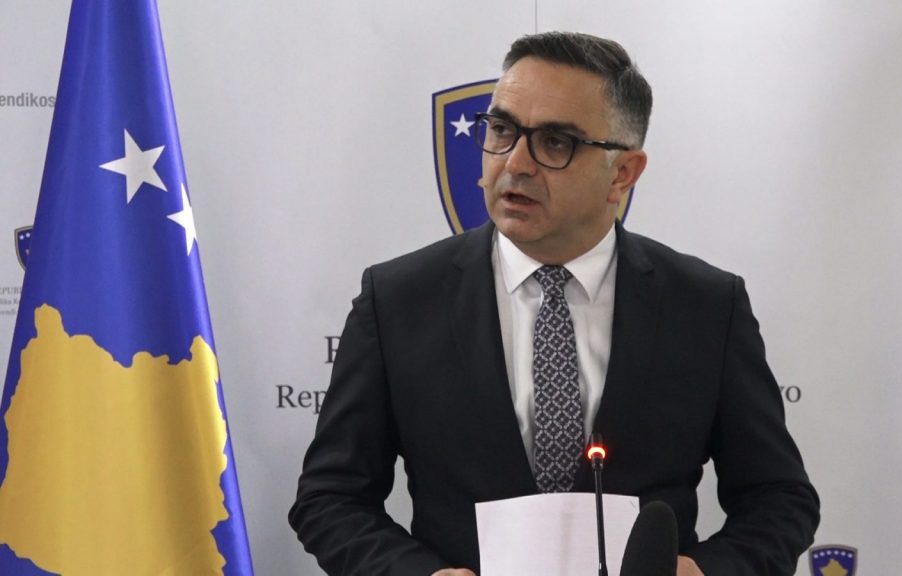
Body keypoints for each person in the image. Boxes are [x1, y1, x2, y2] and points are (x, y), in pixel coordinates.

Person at [290, 31, 819, 576]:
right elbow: (331, 498)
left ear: (623, 173)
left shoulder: (706, 306)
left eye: (556, 142)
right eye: (502, 130)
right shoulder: (398, 300)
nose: (516, 163)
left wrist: (704, 573)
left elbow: (779, 499)